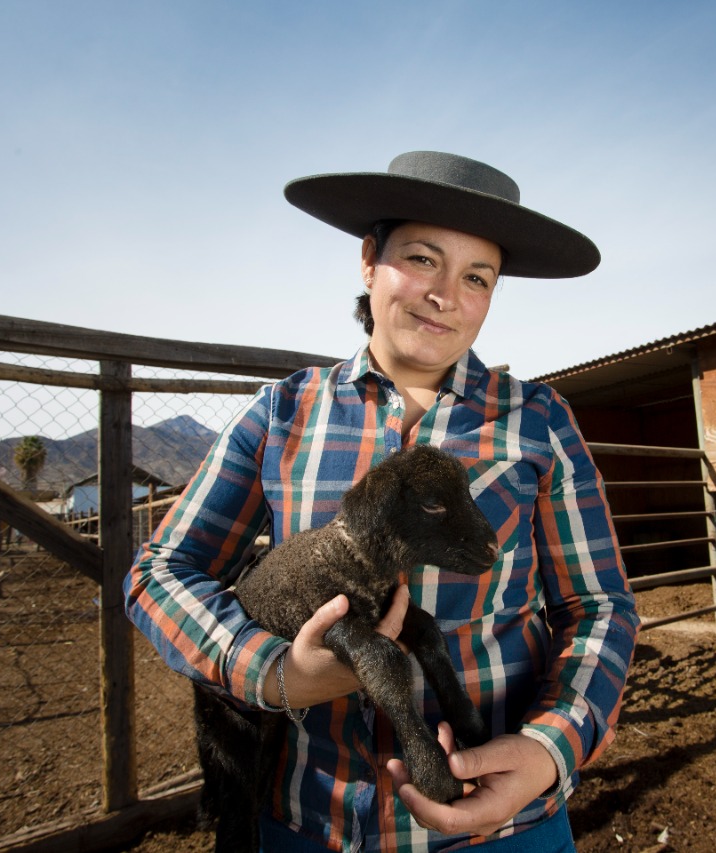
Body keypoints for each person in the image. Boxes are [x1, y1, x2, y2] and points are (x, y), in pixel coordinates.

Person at [125, 151, 639, 852]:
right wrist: (271, 672)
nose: (445, 294)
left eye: (477, 277)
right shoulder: (282, 414)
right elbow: (159, 571)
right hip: (311, 821)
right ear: (369, 260)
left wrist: (550, 748)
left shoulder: (538, 423)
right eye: (423, 259)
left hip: (502, 825)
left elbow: (599, 605)